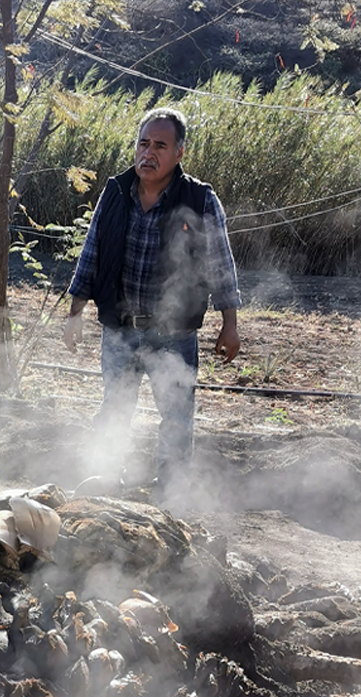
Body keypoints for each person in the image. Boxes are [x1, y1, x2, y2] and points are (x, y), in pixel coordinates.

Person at [64, 107, 243, 494]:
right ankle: (109, 483)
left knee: (177, 419)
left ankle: (172, 494)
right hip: (120, 330)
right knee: (114, 410)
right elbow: (91, 253)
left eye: (160, 145)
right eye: (143, 143)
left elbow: (220, 264)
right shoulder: (114, 193)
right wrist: (75, 312)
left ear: (179, 153)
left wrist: (230, 324)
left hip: (173, 334)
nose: (149, 153)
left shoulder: (199, 200)